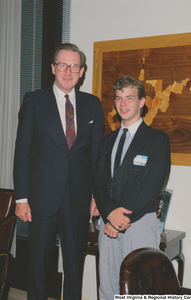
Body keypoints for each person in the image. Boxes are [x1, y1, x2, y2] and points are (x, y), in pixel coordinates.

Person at [13, 42, 104, 300]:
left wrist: (97, 196)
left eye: (74, 66)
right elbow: (22, 153)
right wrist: (22, 198)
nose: (68, 71)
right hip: (41, 199)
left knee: (75, 269)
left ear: (82, 71)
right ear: (53, 68)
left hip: (78, 200)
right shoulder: (34, 101)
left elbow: (97, 156)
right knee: (38, 269)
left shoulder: (92, 105)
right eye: (62, 64)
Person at [93, 76, 170, 299]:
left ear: (142, 102)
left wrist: (119, 219)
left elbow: (152, 185)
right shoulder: (107, 141)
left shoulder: (157, 140)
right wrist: (109, 214)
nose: (123, 104)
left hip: (138, 224)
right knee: (108, 287)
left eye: (129, 98)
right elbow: (98, 181)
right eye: (119, 98)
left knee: (140, 290)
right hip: (107, 225)